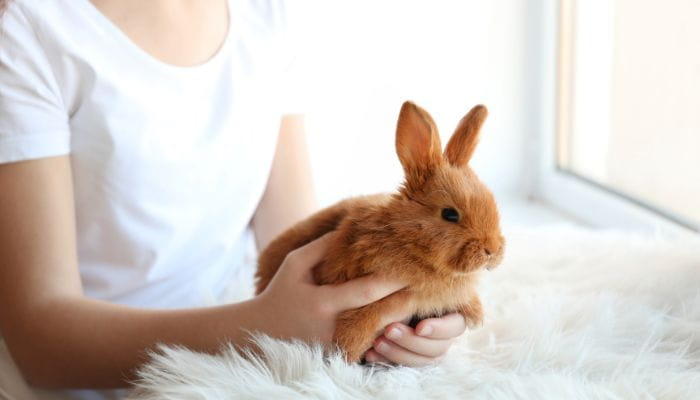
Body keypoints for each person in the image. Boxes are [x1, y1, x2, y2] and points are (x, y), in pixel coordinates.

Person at [0, 0, 467, 398]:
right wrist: (259, 326)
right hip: (93, 373)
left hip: (236, 352)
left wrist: (410, 310)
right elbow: (39, 343)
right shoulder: (31, 33)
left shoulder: (265, 16)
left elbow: (299, 246)